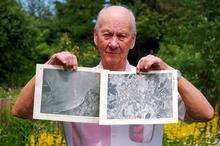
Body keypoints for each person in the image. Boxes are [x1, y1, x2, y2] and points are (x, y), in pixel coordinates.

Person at [12, 5, 214, 146]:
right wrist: (48, 70)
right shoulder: (72, 83)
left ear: (132, 40)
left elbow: (205, 114)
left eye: (122, 36)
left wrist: (172, 74)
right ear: (95, 36)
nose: (114, 43)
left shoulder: (155, 84)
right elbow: (20, 110)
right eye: (107, 34)